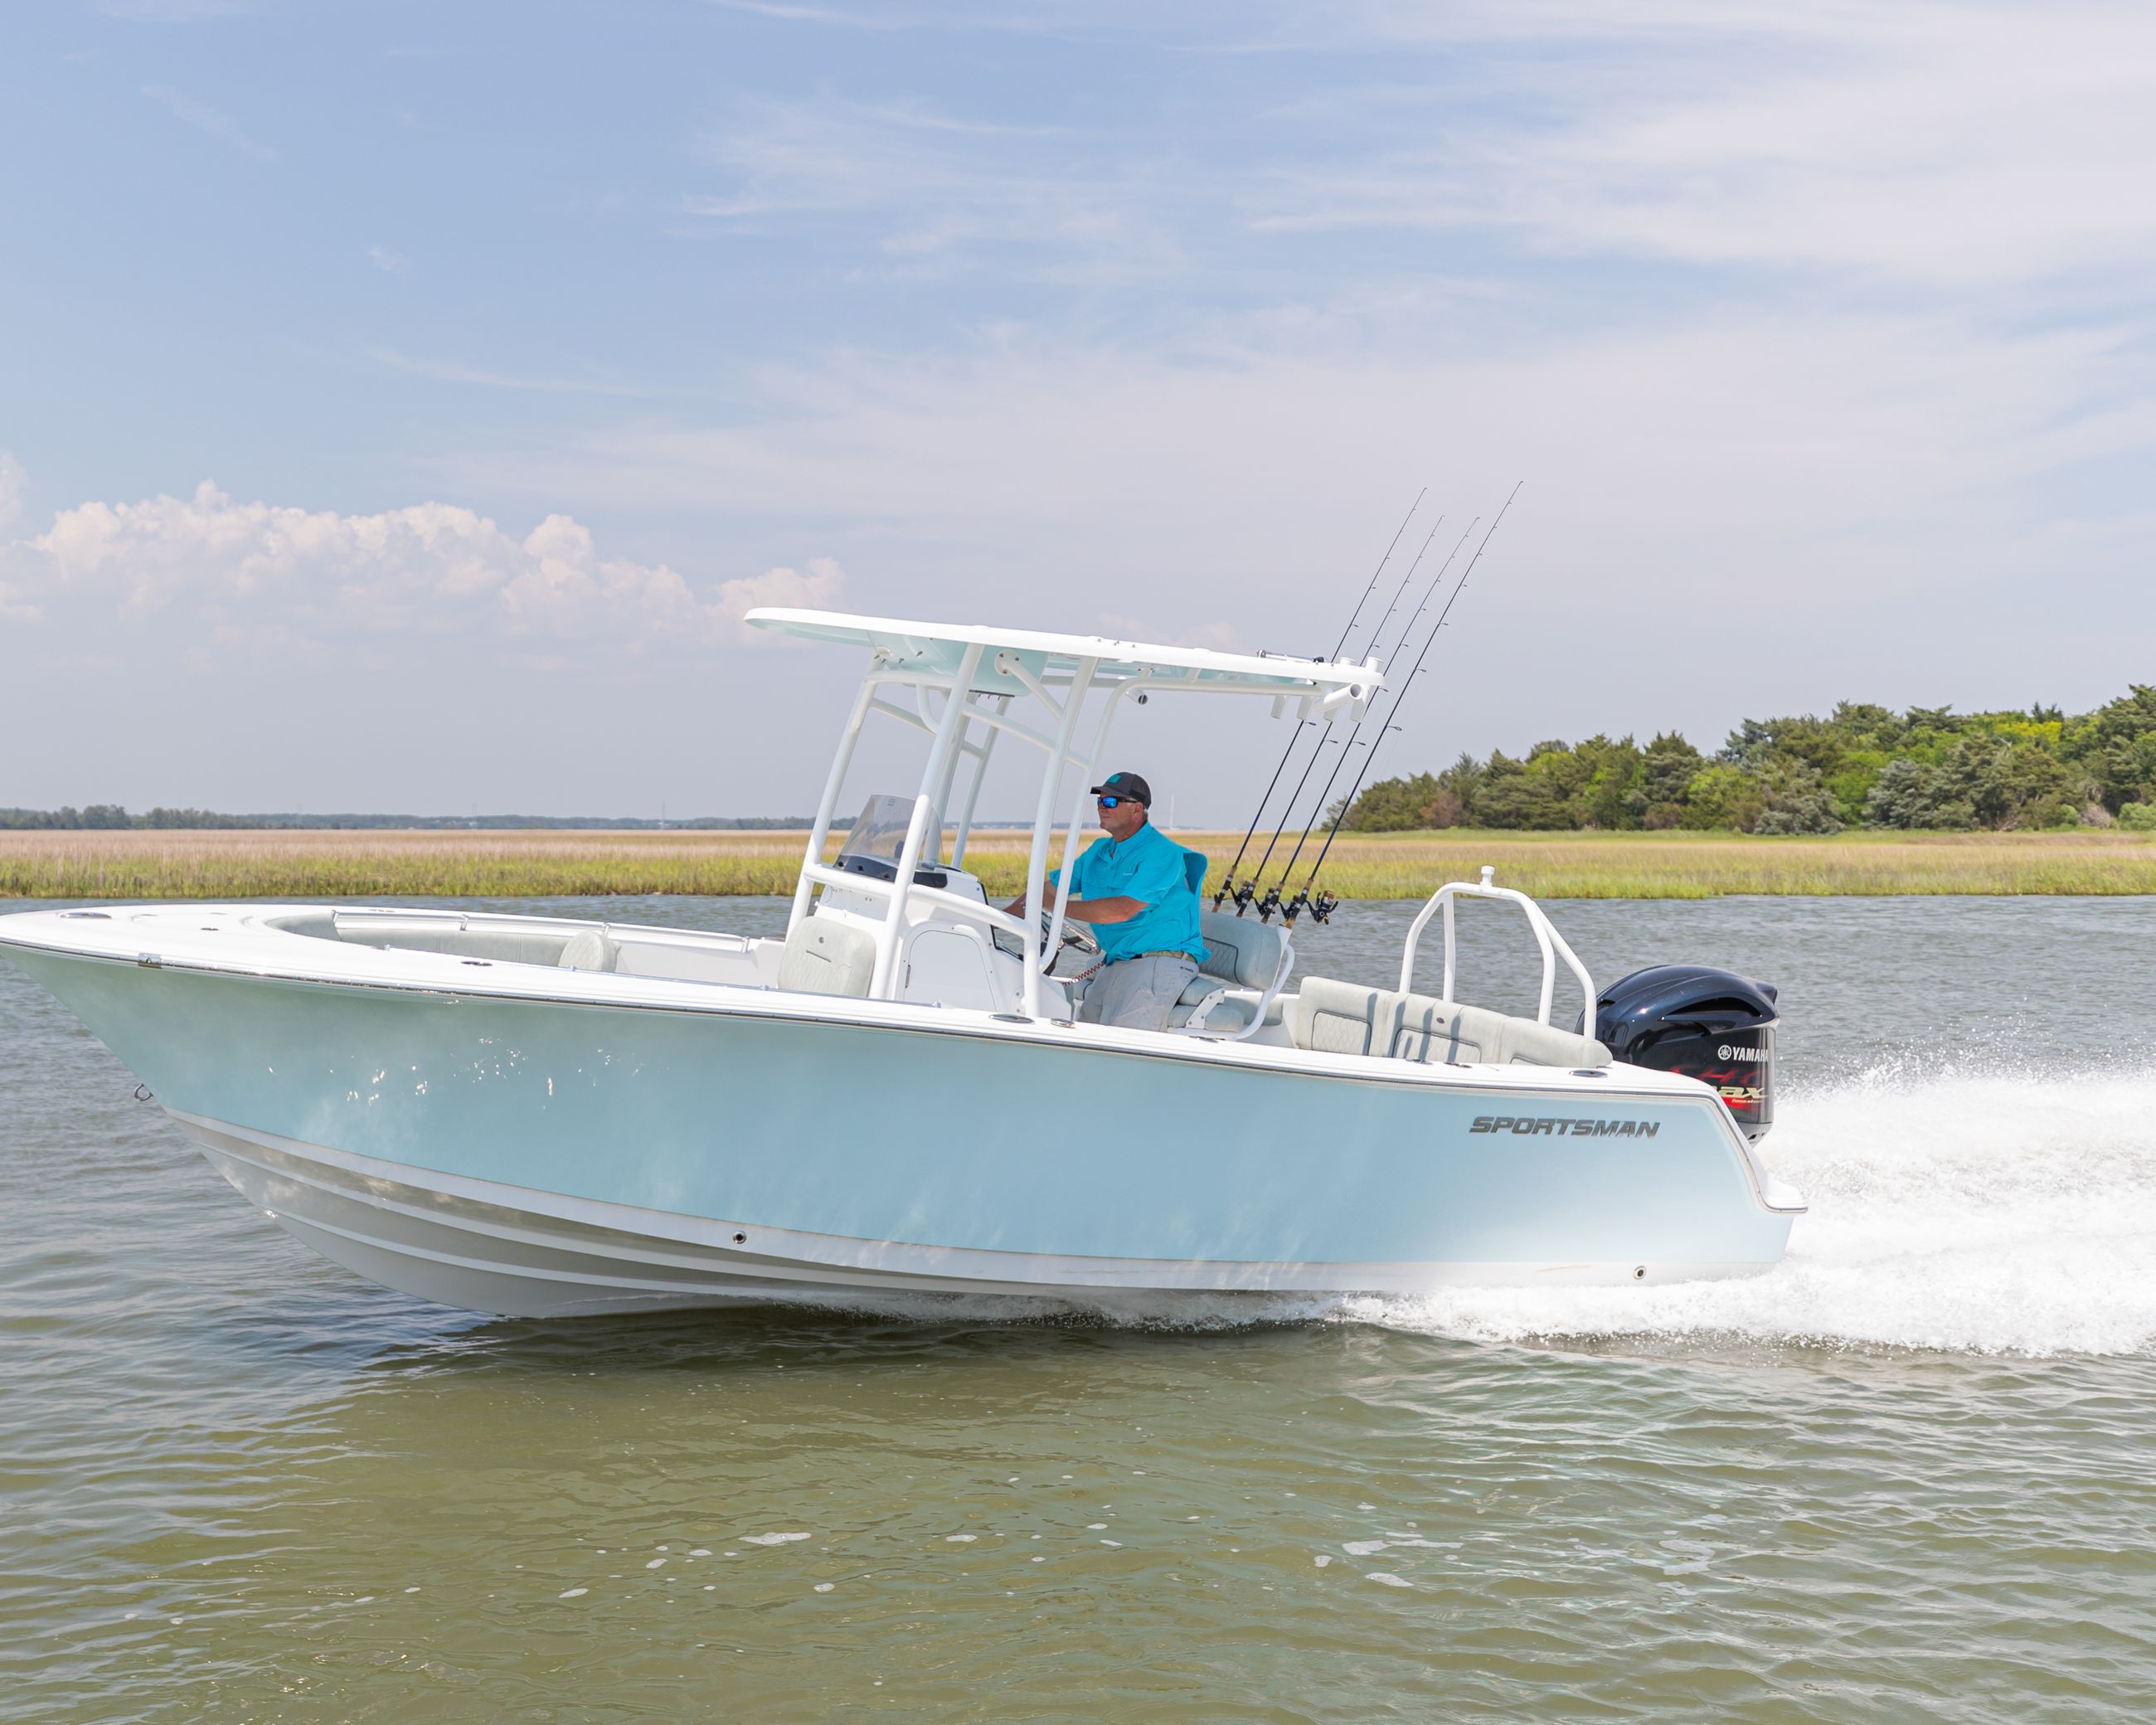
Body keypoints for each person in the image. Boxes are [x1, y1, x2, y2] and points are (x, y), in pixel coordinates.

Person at [1003, 770, 1207, 1030]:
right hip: (1117, 962)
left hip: (1160, 963)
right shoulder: (1099, 851)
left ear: (1137, 809)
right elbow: (1048, 891)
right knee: (1083, 1039)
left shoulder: (1162, 853)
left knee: (1119, 1046)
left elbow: (1123, 910)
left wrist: (1055, 908)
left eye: (1111, 802)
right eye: (1100, 800)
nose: (1102, 806)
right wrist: (996, 923)